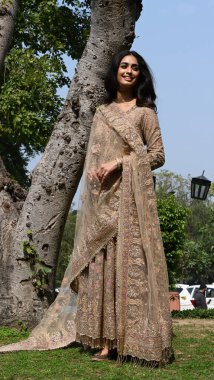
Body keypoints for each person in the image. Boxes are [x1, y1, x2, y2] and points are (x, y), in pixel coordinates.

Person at [0, 51, 173, 366]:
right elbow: (93, 156)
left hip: (130, 203)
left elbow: (158, 155)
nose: (129, 71)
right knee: (99, 269)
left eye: (135, 68)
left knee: (125, 268)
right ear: (115, 71)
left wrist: (122, 162)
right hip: (101, 200)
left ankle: (130, 339)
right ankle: (106, 342)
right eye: (124, 66)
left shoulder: (145, 113)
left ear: (141, 75)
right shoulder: (102, 112)